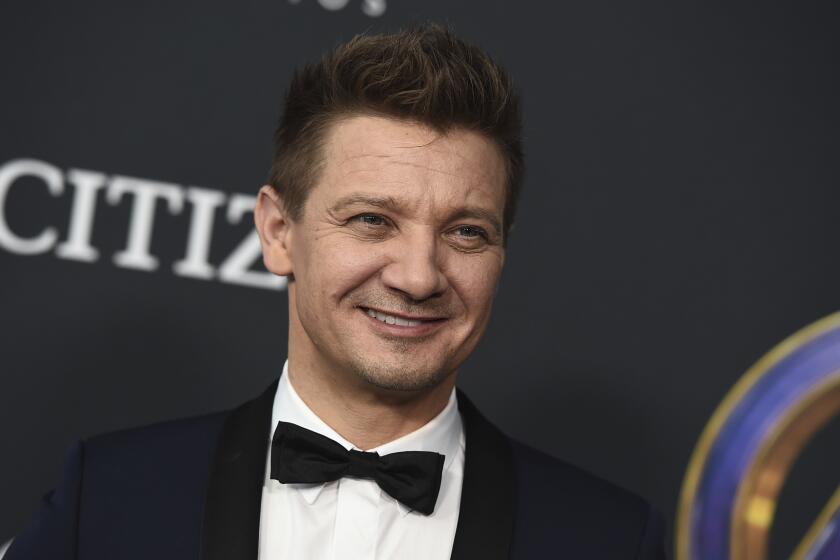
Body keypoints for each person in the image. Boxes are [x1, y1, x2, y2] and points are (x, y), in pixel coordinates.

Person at [5, 24, 665, 559]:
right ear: (278, 231)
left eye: (465, 232)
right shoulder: (110, 499)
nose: (417, 276)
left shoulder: (605, 539)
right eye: (372, 220)